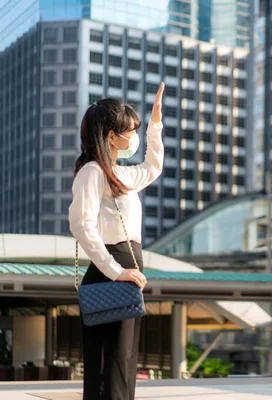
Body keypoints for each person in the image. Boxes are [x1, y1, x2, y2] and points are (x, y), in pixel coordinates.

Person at [69, 83, 165, 400]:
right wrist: (116, 270)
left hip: (125, 269)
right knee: (110, 363)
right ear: (111, 135)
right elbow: (81, 225)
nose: (133, 136)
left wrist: (155, 125)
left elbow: (153, 167)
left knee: (122, 360)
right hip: (112, 269)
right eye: (130, 130)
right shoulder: (93, 172)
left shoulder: (120, 173)